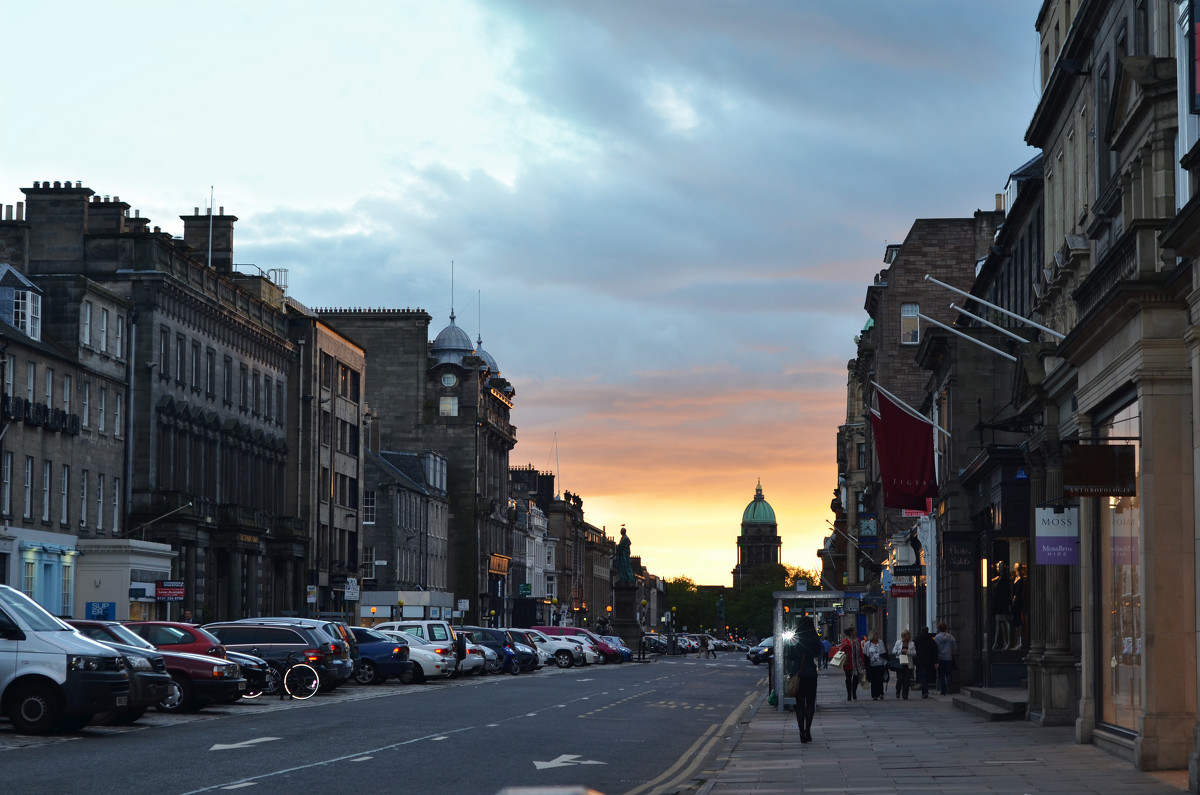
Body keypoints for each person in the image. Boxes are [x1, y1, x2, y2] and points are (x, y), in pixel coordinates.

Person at [785, 618, 822, 744]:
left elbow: (789, 655)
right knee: (810, 703)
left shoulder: (795, 637)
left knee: (799, 704)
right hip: (810, 673)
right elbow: (818, 653)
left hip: (798, 673)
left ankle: (801, 732)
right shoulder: (814, 637)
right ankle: (808, 731)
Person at [837, 626, 865, 701]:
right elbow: (841, 651)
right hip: (848, 662)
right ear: (851, 632)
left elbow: (861, 652)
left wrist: (862, 660)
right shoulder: (845, 641)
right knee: (848, 678)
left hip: (856, 663)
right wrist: (844, 647)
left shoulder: (857, 640)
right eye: (854, 630)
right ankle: (849, 694)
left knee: (856, 678)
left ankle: (854, 692)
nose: (856, 632)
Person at [934, 621, 958, 695]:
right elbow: (955, 647)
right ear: (946, 628)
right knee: (948, 674)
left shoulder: (937, 637)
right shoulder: (950, 636)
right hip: (948, 658)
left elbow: (935, 648)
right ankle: (948, 685)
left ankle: (943, 690)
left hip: (940, 658)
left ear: (939, 629)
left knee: (941, 675)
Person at [891, 628, 916, 700]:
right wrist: (901, 651)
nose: (908, 636)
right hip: (900, 664)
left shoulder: (912, 643)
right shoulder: (898, 642)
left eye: (909, 634)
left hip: (908, 664)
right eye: (907, 635)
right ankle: (898, 690)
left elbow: (914, 653)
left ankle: (905, 695)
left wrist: (907, 651)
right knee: (900, 679)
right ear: (904, 636)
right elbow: (893, 651)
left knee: (906, 680)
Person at [862, 630, 887, 700]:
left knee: (880, 679)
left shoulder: (880, 642)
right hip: (871, 665)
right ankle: (874, 695)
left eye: (877, 635)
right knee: (873, 680)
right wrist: (865, 663)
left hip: (880, 663)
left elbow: (884, 651)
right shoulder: (867, 644)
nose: (876, 636)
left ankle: (881, 693)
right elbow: (865, 654)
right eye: (875, 635)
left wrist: (886, 661)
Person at [914, 626, 938, 698]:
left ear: (921, 631)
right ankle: (925, 690)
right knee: (927, 675)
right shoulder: (931, 640)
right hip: (929, 661)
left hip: (920, 660)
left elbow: (913, 649)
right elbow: (935, 651)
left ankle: (924, 691)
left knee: (922, 676)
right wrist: (935, 661)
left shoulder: (917, 639)